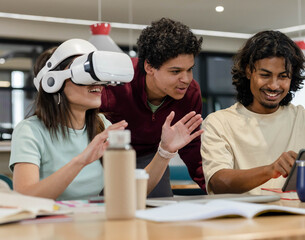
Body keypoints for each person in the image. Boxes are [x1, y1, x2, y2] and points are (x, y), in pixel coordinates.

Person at [9, 39, 203, 200]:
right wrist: (81, 161)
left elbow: (131, 194)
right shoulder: (30, 131)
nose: (98, 84)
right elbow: (25, 198)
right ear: (52, 82)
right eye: (84, 75)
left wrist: (165, 152)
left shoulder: (103, 126)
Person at [201, 30, 305, 195]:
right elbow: (218, 182)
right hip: (242, 218)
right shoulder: (219, 122)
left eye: (283, 76)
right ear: (248, 71)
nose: (274, 85)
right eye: (265, 75)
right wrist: (270, 170)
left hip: (298, 217)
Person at [100, 18, 205, 197]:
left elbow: (192, 148)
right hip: (108, 155)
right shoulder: (116, 82)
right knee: (108, 206)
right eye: (175, 71)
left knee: (161, 206)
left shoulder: (191, 93)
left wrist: (213, 188)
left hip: (154, 155)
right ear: (149, 67)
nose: (186, 79)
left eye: (189, 69)